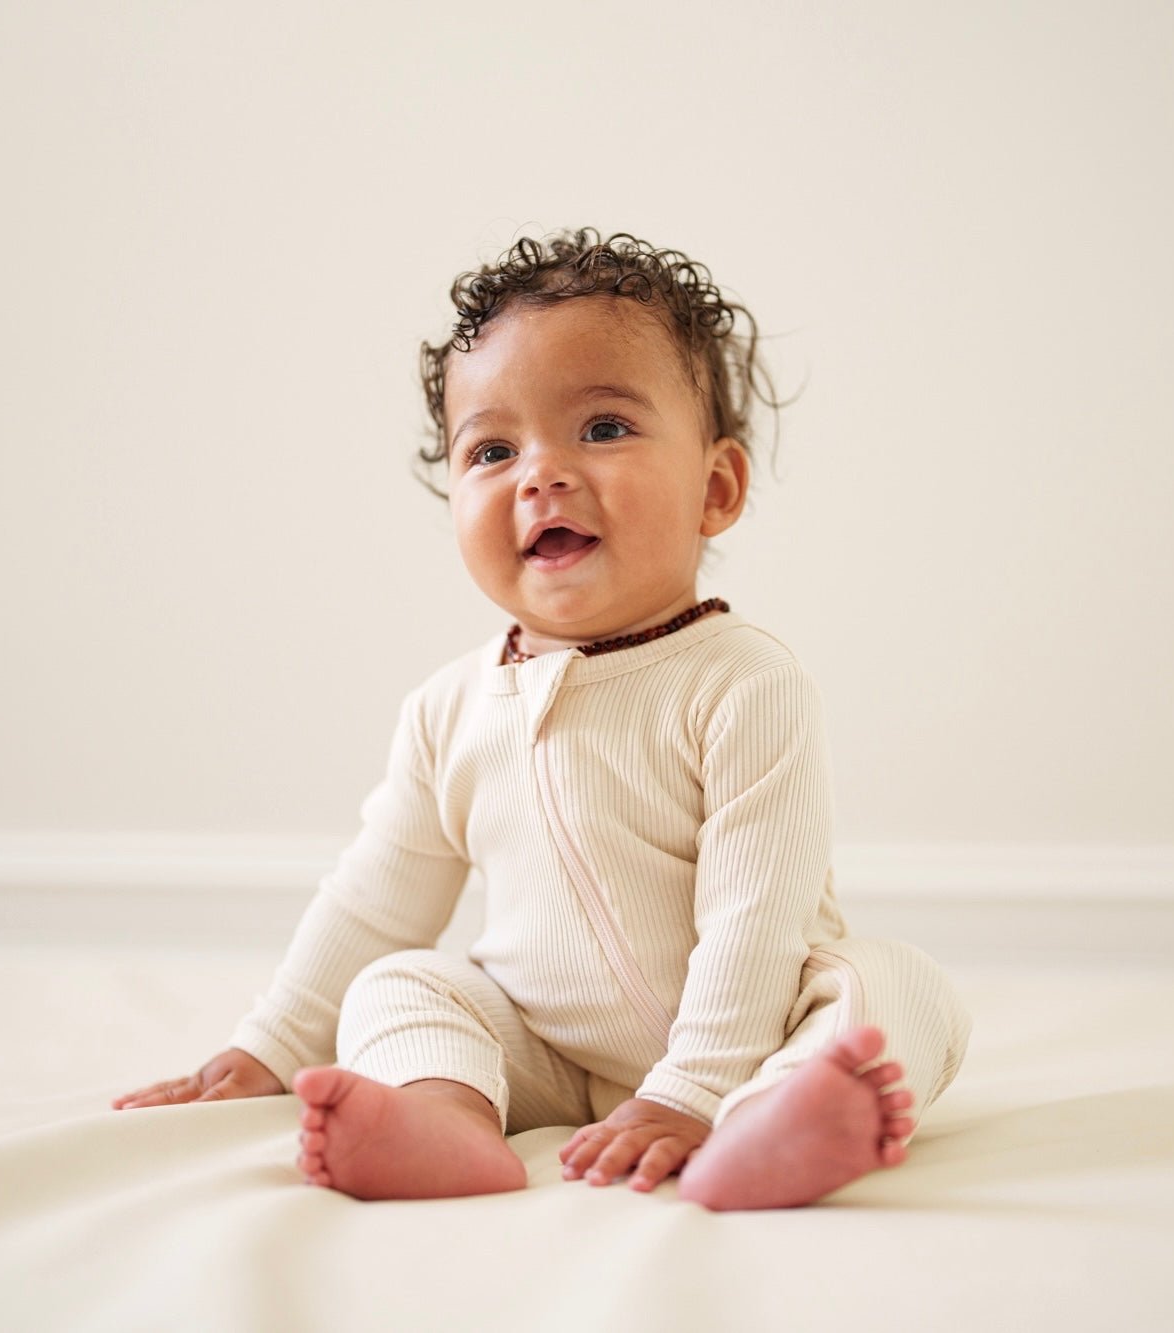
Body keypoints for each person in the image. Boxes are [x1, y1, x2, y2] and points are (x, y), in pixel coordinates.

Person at [114, 228, 971, 1210]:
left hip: (756, 1022)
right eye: (491, 449)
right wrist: (267, 1043)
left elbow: (756, 915)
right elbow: (373, 901)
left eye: (603, 428)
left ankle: (776, 1121)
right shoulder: (448, 708)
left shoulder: (740, 682)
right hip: (546, 1047)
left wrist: (691, 1091)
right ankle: (445, 1117)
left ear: (716, 488)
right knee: (398, 982)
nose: (540, 474)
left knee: (894, 988)